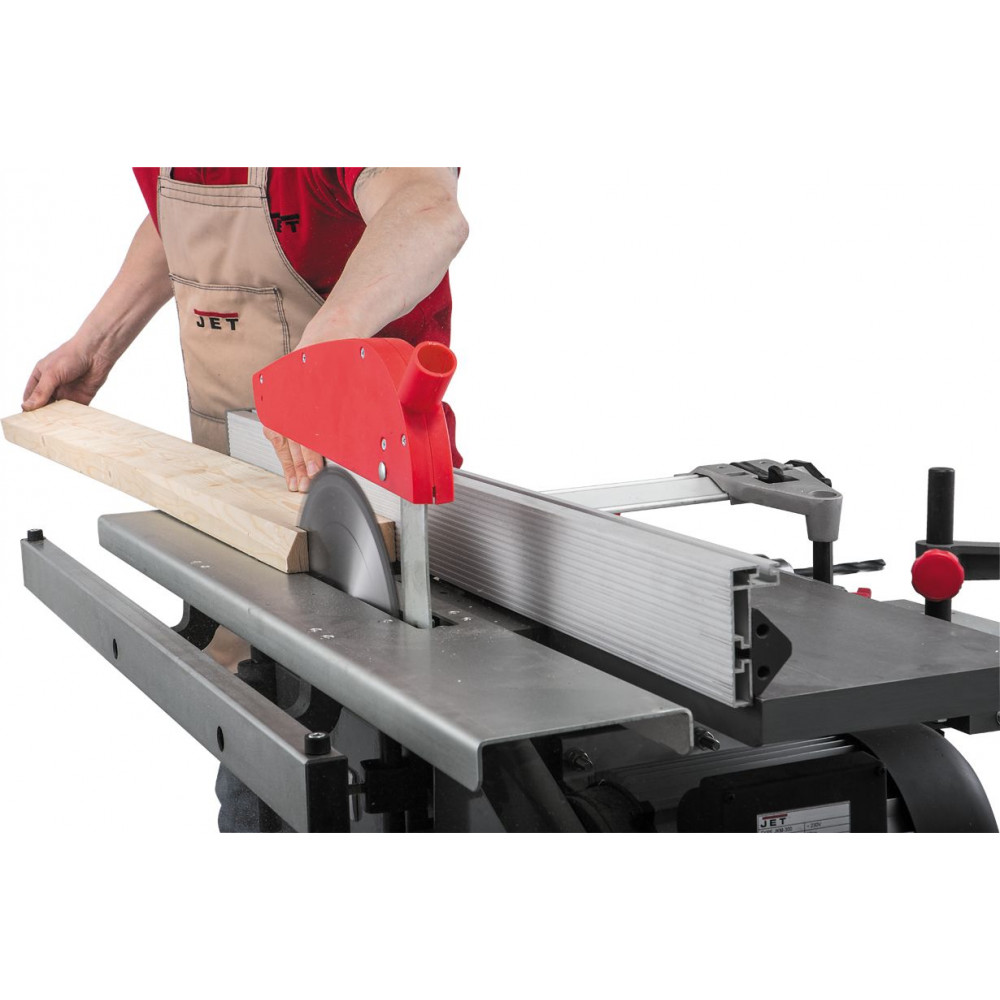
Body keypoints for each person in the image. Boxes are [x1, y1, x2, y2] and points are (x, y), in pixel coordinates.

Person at [21, 167, 468, 831]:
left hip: (379, 551)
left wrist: (327, 338)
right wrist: (98, 341)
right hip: (246, 546)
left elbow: (428, 211)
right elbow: (176, 224)